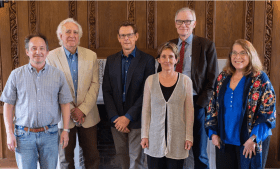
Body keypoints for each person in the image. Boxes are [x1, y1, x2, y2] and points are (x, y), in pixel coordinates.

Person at [0, 34, 72, 169]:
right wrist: (9, 133)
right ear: (27, 51)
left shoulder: (58, 75)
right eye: (33, 48)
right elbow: (8, 105)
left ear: (47, 52)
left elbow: (65, 103)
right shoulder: (16, 75)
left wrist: (66, 130)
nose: (38, 52)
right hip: (23, 136)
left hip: (50, 134)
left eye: (42, 48)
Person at [205, 39, 276, 169]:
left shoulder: (260, 79)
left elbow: (268, 112)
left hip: (250, 141)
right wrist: (213, 133)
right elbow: (212, 106)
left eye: (242, 53)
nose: (238, 57)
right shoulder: (222, 77)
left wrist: (254, 138)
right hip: (224, 141)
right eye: (234, 53)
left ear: (251, 55)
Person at [165, 7, 219, 169]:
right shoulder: (169, 45)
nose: (184, 25)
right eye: (180, 21)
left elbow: (213, 80)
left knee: (200, 152)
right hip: (174, 104)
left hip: (198, 103)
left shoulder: (206, 45)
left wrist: (200, 105)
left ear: (194, 23)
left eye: (187, 21)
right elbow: (162, 74)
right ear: (175, 24)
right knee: (175, 151)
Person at [46, 18, 100, 169]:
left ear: (79, 36)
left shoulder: (91, 56)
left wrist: (82, 110)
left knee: (92, 157)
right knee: (65, 159)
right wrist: (71, 110)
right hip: (63, 117)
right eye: (67, 31)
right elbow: (52, 88)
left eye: (75, 32)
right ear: (60, 35)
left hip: (88, 115)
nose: (72, 35)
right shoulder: (50, 57)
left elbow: (95, 84)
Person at [102, 20, 155, 169]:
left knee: (137, 161)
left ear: (136, 36)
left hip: (137, 120)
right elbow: (106, 91)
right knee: (122, 159)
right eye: (123, 35)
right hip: (117, 121)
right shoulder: (111, 60)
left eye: (130, 35)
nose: (126, 38)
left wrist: (128, 117)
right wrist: (115, 118)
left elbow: (147, 92)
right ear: (118, 38)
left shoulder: (147, 60)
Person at [141, 42, 194, 169]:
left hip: (178, 139)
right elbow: (146, 110)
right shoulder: (150, 80)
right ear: (158, 59)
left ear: (176, 59)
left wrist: (189, 137)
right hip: (154, 138)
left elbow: (189, 111)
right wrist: (144, 135)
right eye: (163, 56)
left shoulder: (186, 81)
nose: (167, 60)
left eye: (171, 56)